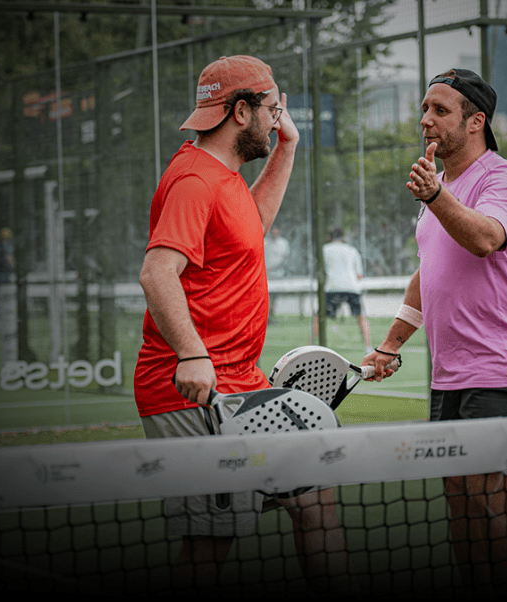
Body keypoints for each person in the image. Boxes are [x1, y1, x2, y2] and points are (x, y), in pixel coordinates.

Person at [134, 55, 353, 595]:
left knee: (314, 497)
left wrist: (287, 147)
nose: (279, 118)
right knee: (212, 542)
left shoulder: (226, 177)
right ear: (239, 112)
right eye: (273, 111)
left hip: (242, 382)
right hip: (191, 390)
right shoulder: (193, 180)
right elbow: (157, 271)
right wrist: (191, 353)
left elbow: (250, 229)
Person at [361, 69, 507, 593]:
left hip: (504, 365)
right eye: (424, 109)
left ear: (476, 121)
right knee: (460, 500)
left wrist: (435, 198)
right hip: (450, 374)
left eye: (439, 110)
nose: (425, 120)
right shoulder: (440, 191)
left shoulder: (503, 179)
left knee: (488, 495)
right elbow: (431, 269)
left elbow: (486, 239)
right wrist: (390, 345)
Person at [314, 227, 371, 350]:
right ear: (343, 237)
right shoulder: (352, 250)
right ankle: (368, 347)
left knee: (318, 317)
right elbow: (359, 275)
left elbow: (319, 271)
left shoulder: (324, 249)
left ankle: (311, 347)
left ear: (330, 237)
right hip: (352, 288)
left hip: (332, 288)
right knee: (360, 317)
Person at [264, 224, 289, 323]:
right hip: (266, 274)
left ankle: (271, 313)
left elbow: (285, 258)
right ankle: (267, 315)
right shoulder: (265, 242)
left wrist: (276, 267)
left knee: (275, 296)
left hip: (278, 274)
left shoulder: (284, 243)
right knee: (267, 296)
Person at [0, 227, 15, 323]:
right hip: (4, 278)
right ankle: (6, 318)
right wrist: (13, 267)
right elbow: (11, 262)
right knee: (6, 300)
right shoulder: (7, 247)